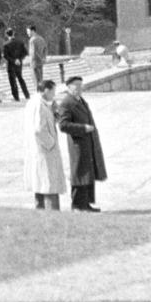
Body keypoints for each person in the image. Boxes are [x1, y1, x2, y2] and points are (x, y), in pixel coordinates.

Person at [55, 75, 107, 212]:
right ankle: (77, 205)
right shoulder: (66, 103)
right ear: (69, 87)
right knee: (79, 174)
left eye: (80, 86)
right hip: (78, 143)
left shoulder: (80, 100)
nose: (79, 88)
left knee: (87, 173)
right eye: (76, 86)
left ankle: (86, 204)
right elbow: (63, 125)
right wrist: (83, 128)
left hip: (88, 142)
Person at [23, 80, 66, 210]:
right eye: (53, 91)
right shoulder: (39, 105)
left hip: (39, 150)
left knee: (41, 184)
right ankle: (53, 213)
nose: (54, 94)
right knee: (48, 184)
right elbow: (39, 130)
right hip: (44, 150)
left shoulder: (39, 103)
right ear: (46, 90)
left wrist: (55, 112)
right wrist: (51, 144)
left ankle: (41, 212)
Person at [3, 28, 30, 101]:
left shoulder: (6, 44)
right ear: (13, 33)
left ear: (6, 35)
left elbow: (6, 56)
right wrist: (19, 59)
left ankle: (16, 97)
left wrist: (13, 60)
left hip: (11, 65)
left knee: (13, 81)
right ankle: (27, 94)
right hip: (19, 64)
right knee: (21, 79)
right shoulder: (20, 42)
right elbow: (25, 53)